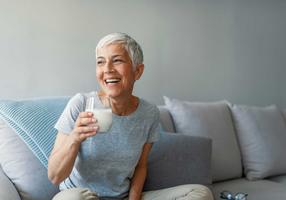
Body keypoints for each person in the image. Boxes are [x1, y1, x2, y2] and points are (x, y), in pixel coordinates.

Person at [48, 32, 214, 200]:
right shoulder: (81, 103)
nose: (107, 69)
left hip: (122, 197)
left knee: (200, 193)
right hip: (81, 196)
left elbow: (141, 167)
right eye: (101, 62)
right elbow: (55, 176)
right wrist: (74, 139)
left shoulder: (149, 114)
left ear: (138, 71)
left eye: (117, 60)